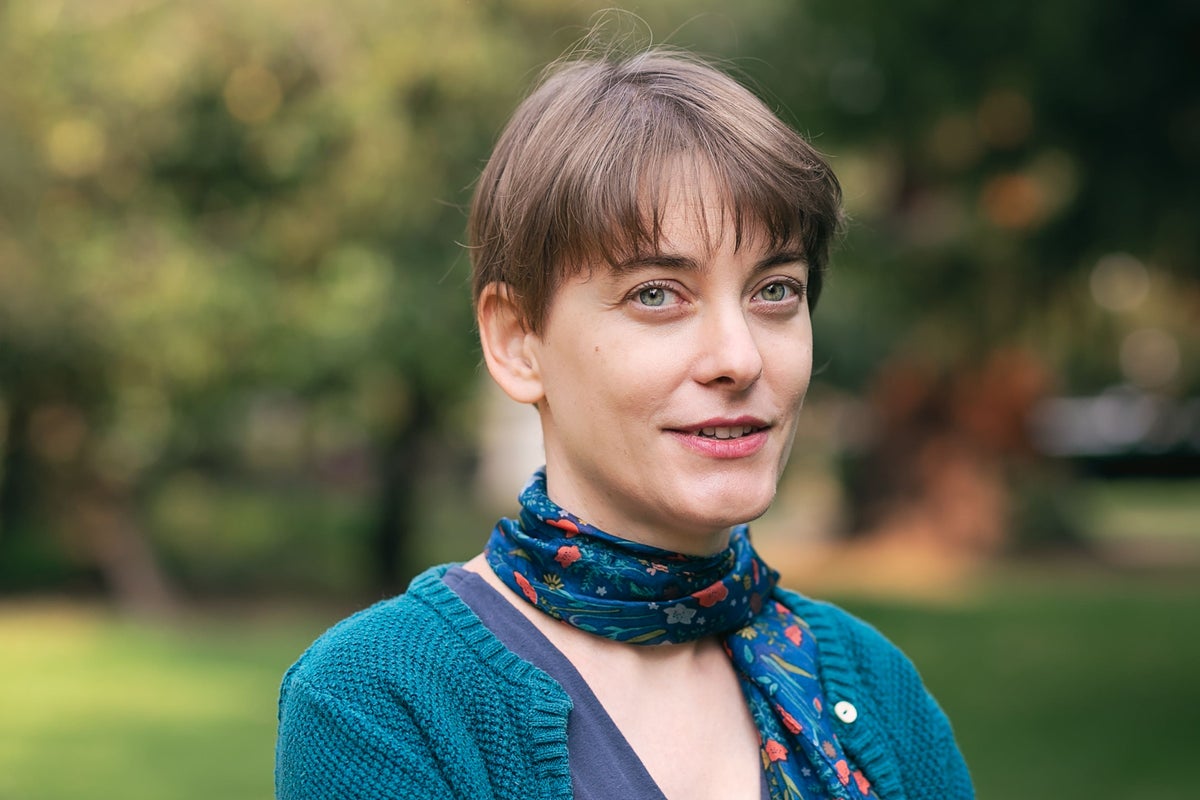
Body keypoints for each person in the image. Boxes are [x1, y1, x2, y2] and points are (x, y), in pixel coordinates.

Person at [275, 47, 974, 800]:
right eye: (657, 295)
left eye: (775, 290)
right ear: (516, 341)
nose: (739, 358)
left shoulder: (875, 685)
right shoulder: (380, 701)